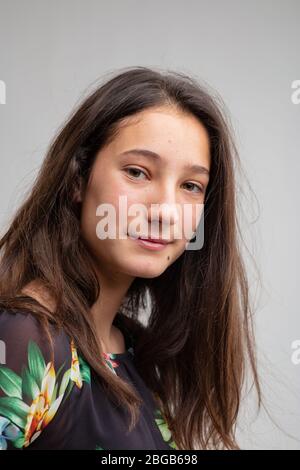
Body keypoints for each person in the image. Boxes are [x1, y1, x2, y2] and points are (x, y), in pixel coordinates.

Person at [0, 66, 261, 450]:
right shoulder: (26, 338)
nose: (165, 211)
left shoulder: (134, 352)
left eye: (191, 186)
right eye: (137, 172)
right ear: (77, 179)